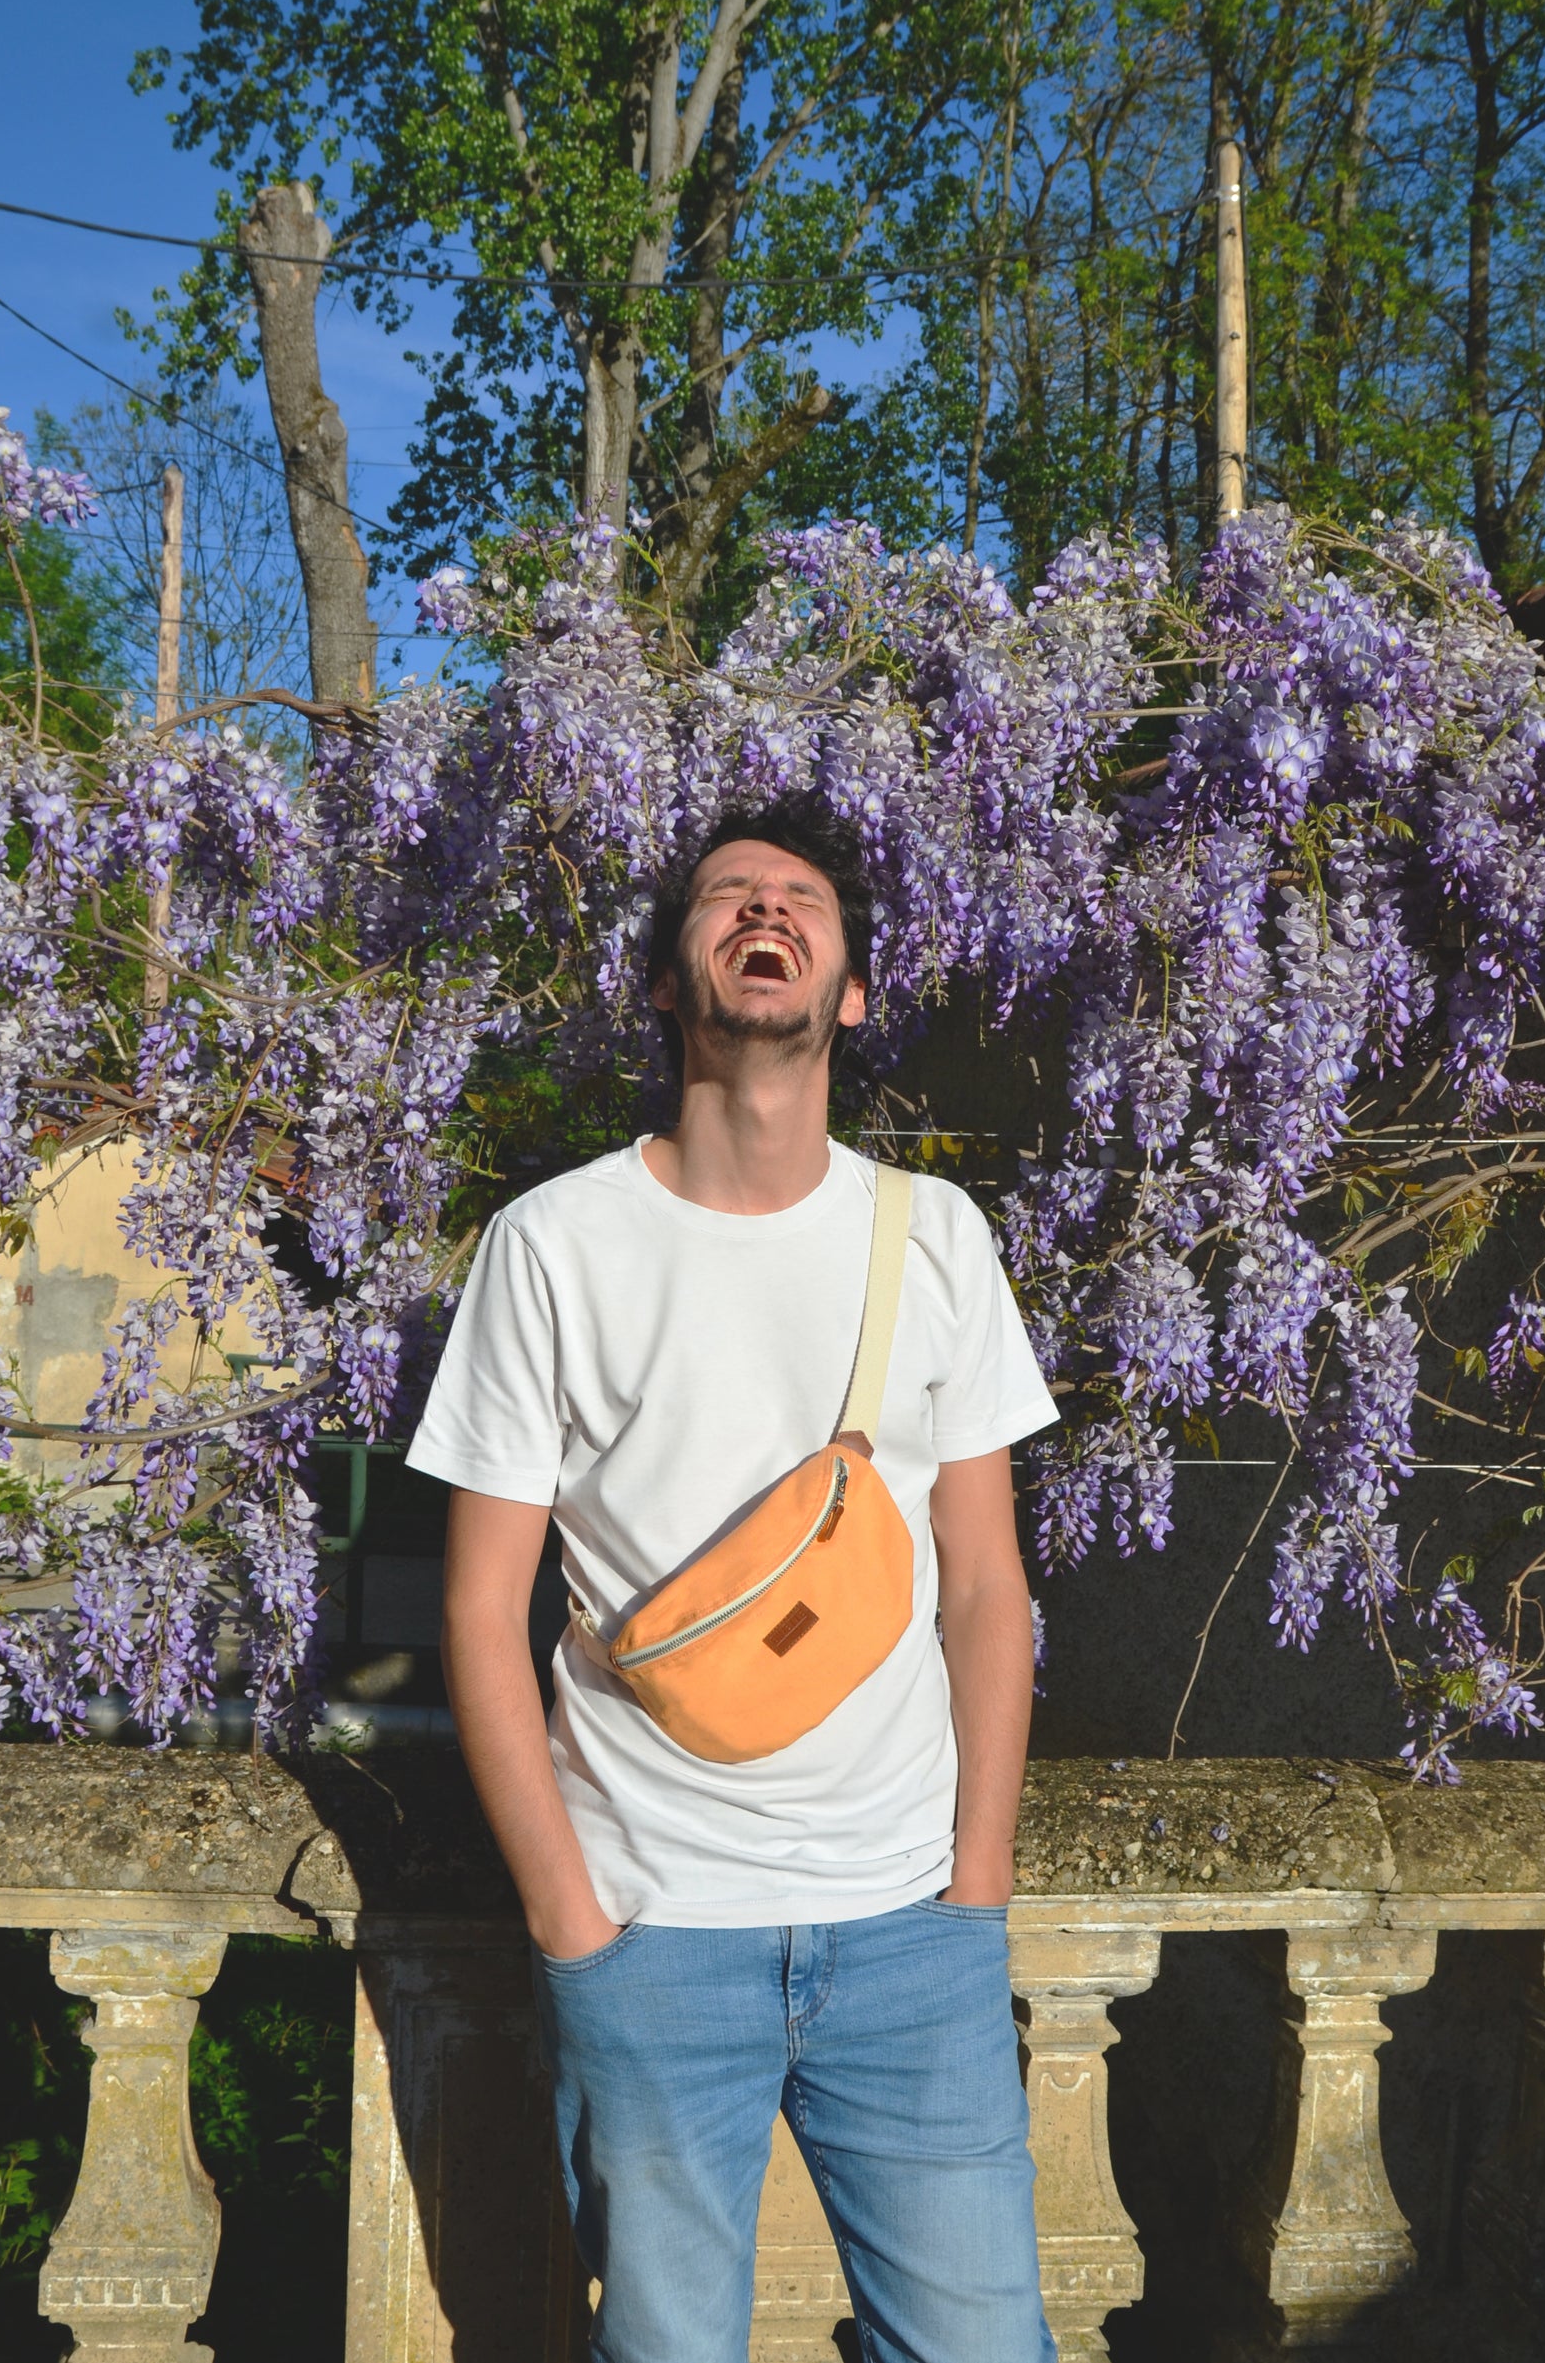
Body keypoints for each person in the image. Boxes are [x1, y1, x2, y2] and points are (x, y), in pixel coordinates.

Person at [409, 791, 1060, 2363]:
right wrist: (576, 1926)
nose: (763, 908)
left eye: (800, 898)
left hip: (912, 1933)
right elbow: (480, 1611)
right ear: (664, 978)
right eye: (726, 895)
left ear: (845, 989)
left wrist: (974, 1892)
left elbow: (983, 1584)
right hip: (653, 1928)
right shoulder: (553, 1243)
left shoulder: (937, 1235)